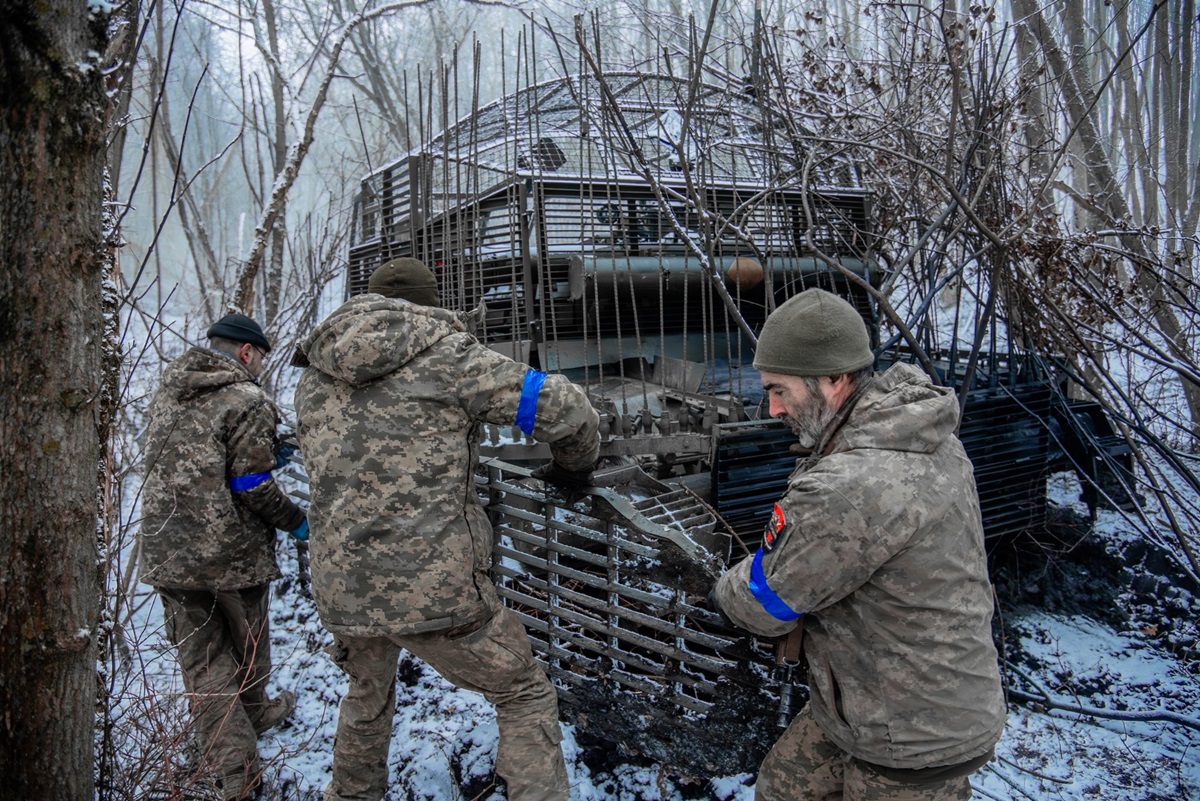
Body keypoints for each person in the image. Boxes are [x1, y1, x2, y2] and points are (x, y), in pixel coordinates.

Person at [292, 257, 600, 801]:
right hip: (432, 585)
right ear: (431, 304)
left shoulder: (314, 377)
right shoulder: (449, 355)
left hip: (342, 584)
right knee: (522, 692)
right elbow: (565, 408)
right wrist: (574, 467)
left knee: (367, 694)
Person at [711, 288, 1005, 801]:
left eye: (780, 390)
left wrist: (719, 587)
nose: (772, 408)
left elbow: (765, 603)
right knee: (782, 788)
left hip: (914, 736)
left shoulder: (851, 485)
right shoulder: (911, 427)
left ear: (834, 379)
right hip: (869, 698)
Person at [139, 313, 310, 800]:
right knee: (248, 643)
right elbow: (251, 485)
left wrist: (257, 455)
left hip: (168, 549)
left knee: (203, 660)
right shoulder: (247, 398)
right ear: (245, 352)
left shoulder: (169, 388)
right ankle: (240, 774)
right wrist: (296, 521)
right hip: (231, 553)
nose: (258, 369)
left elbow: (198, 459)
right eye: (259, 360)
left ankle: (240, 741)